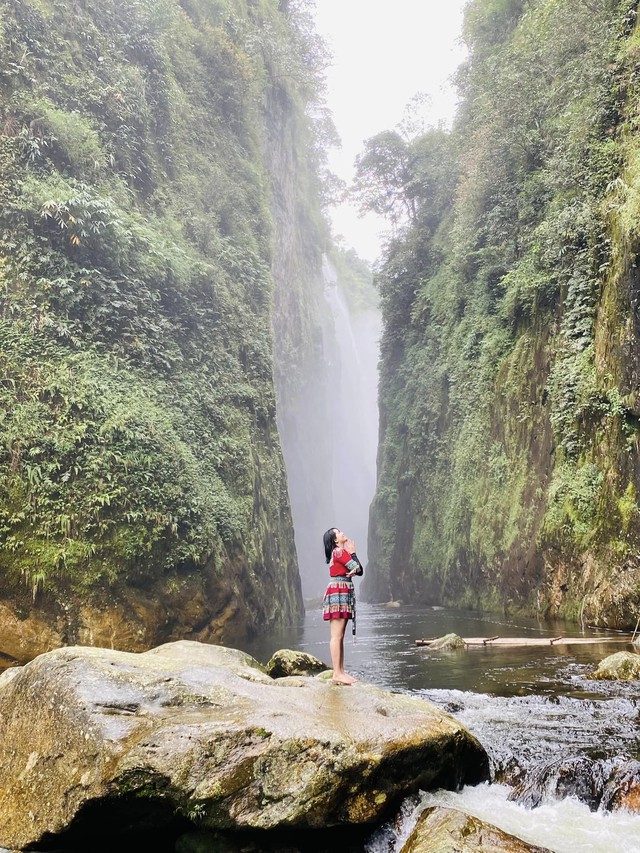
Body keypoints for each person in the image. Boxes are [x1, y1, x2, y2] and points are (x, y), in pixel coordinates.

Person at [322, 527, 363, 685]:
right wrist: (353, 553)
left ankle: (340, 671)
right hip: (339, 593)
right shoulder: (339, 552)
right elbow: (358, 569)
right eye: (338, 532)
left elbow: (356, 570)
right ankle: (337, 673)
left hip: (340, 592)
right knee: (336, 636)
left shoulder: (338, 552)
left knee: (339, 636)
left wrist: (353, 565)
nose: (342, 533)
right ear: (335, 540)